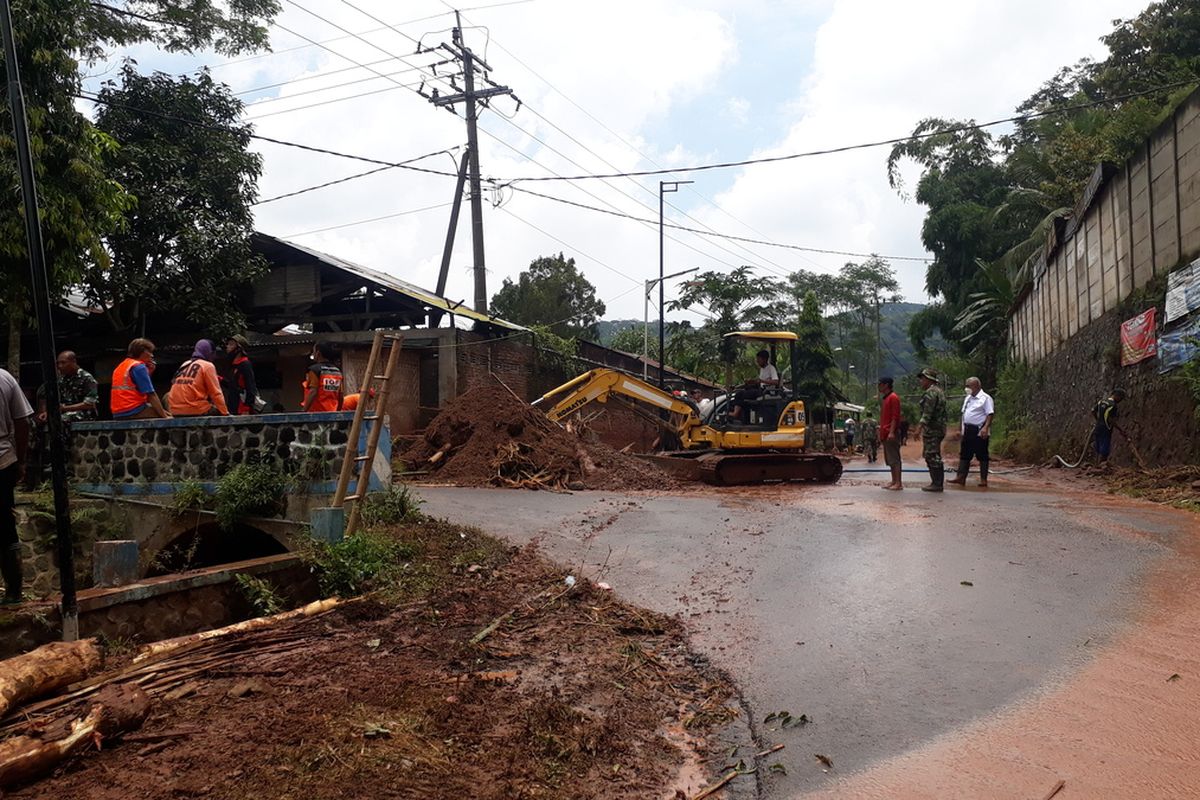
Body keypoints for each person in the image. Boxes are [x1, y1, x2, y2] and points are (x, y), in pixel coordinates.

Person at [27, 351, 98, 488]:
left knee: (60, 420)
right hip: (63, 412)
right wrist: (47, 412)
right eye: (58, 363)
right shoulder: (62, 379)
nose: (60, 366)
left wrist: (64, 409)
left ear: (73, 362)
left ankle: (61, 459)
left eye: (63, 363)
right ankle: (34, 462)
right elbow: (51, 398)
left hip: (84, 413)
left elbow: (90, 403)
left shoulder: (86, 378)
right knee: (35, 422)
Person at [0, 366, 32, 604]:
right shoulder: (4, 377)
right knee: (5, 526)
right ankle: (13, 591)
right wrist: (21, 460)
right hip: (3, 460)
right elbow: (22, 423)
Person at [949, 376, 994, 488]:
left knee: (982, 455)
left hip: (979, 429)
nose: (967, 388)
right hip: (967, 429)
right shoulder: (968, 398)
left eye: (969, 386)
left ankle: (984, 479)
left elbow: (990, 414)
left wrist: (986, 428)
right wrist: (960, 429)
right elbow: (963, 414)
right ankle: (961, 477)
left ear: (976, 386)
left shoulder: (985, 398)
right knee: (965, 454)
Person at [111, 338, 170, 420]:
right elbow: (150, 394)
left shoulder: (122, 365)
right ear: (141, 352)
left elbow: (137, 386)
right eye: (149, 352)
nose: (152, 355)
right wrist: (165, 417)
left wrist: (149, 372)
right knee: (168, 416)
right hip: (133, 409)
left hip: (118, 412)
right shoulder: (139, 367)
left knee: (161, 411)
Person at [167, 340, 229, 417]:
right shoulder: (208, 366)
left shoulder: (185, 364)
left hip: (174, 410)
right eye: (214, 353)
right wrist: (225, 413)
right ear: (210, 353)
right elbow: (216, 393)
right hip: (195, 408)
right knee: (218, 410)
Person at [913, 367, 947, 492]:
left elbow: (927, 413)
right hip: (938, 428)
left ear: (928, 379)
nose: (921, 381)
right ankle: (936, 482)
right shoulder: (939, 391)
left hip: (933, 430)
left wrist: (919, 428)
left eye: (922, 379)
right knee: (933, 454)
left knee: (932, 455)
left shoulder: (931, 393)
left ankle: (937, 483)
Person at [730, 350, 780, 421]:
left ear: (765, 359)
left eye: (759, 360)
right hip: (760, 389)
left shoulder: (771, 368)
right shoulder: (762, 369)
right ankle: (744, 418)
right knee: (741, 393)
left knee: (743, 394)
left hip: (766, 392)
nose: (757, 362)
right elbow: (759, 381)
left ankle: (735, 413)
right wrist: (752, 381)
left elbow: (776, 381)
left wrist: (762, 381)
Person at [220, 335, 260, 415]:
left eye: (231, 344)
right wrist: (220, 379)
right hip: (233, 406)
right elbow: (232, 386)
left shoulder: (245, 364)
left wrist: (247, 407)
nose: (228, 347)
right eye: (228, 344)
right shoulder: (233, 366)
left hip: (242, 408)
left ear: (239, 349)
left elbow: (250, 387)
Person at [302, 341, 344, 412]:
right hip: (331, 413)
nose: (313, 354)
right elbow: (341, 396)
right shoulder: (337, 372)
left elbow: (313, 392)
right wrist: (338, 412)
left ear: (318, 353)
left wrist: (304, 411)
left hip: (316, 414)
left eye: (314, 352)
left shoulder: (315, 370)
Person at [878, 377, 903, 490]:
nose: (879, 386)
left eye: (881, 384)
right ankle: (894, 480)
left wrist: (891, 432)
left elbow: (895, 417)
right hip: (885, 432)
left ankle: (898, 482)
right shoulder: (885, 399)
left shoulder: (893, 398)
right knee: (890, 459)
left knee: (894, 458)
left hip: (890, 432)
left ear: (886, 385)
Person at [1092, 388, 1126, 465]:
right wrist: (1120, 430)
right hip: (1106, 428)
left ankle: (1095, 465)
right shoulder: (1113, 405)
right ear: (1117, 396)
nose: (1120, 400)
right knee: (1104, 450)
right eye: (1121, 398)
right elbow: (1111, 420)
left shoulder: (1101, 402)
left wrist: (1097, 420)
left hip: (1098, 427)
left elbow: (1093, 411)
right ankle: (1101, 467)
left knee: (1097, 447)